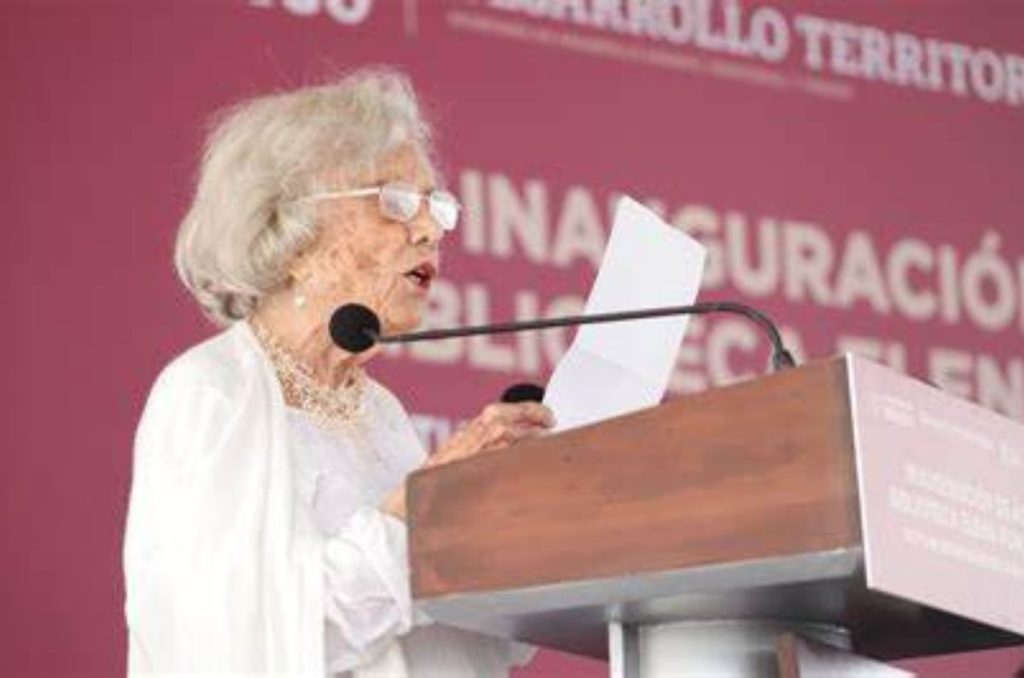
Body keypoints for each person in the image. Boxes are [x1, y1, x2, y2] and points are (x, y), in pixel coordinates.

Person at [122, 69, 555, 677]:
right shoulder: (211, 394)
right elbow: (241, 649)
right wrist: (422, 512)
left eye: (436, 205)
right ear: (291, 233)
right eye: (396, 201)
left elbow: (435, 632)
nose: (430, 229)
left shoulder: (379, 411)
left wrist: (496, 521)